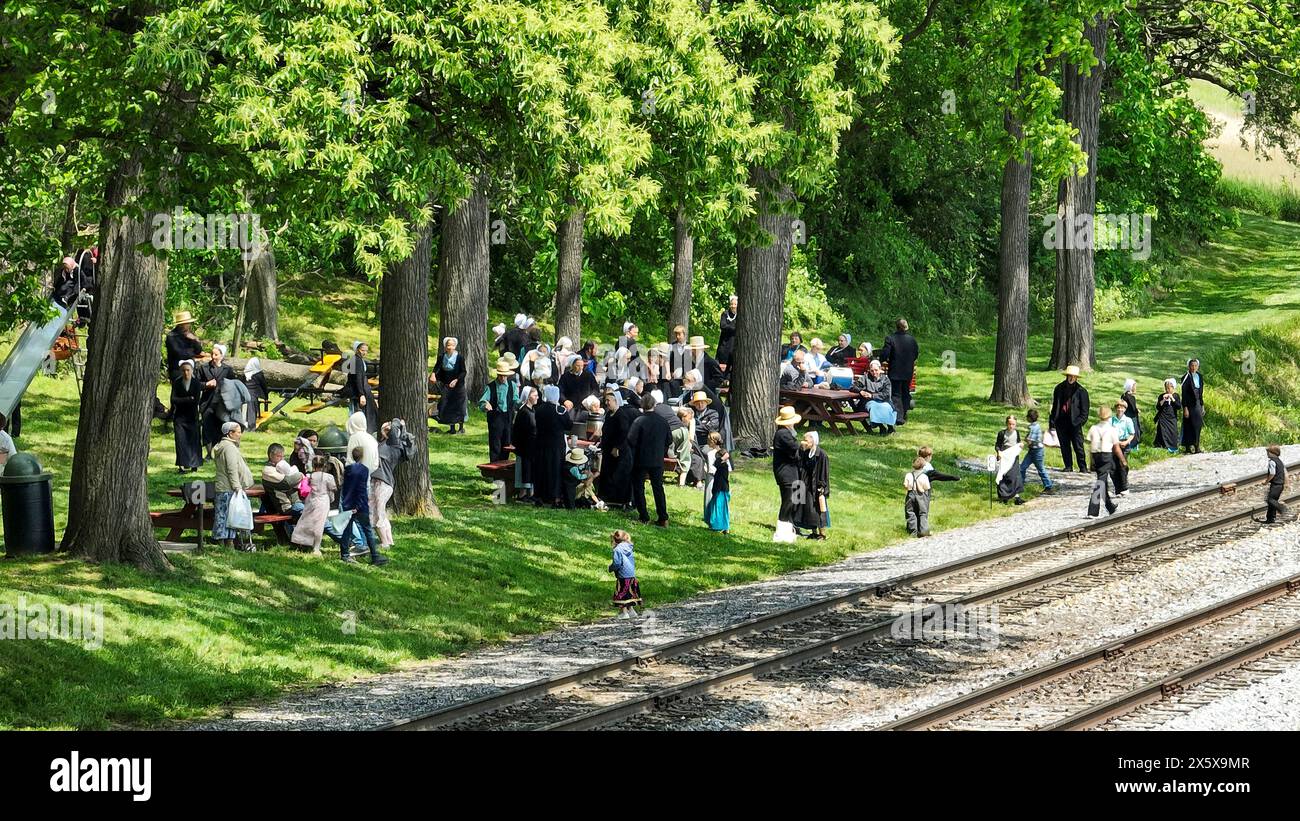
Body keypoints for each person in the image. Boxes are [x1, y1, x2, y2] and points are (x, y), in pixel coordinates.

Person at [338, 446, 390, 565]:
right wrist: (359, 504)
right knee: (367, 530)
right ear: (362, 456)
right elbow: (361, 489)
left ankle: (344, 554)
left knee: (347, 529)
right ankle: (374, 556)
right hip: (360, 505)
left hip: (348, 503)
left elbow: (346, 487)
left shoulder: (348, 469)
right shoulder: (364, 470)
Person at [626, 394, 670, 526]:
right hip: (657, 459)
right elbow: (669, 440)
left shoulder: (639, 421)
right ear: (654, 405)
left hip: (641, 459)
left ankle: (644, 516)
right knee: (658, 488)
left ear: (642, 406)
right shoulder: (663, 421)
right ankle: (663, 517)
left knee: (639, 487)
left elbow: (630, 439)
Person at [372, 418, 416, 547]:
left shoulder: (394, 444)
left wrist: (401, 425)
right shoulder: (386, 444)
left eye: (388, 429)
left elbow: (396, 423)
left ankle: (384, 542)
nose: (386, 430)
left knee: (377, 514)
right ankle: (389, 541)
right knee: (381, 513)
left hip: (382, 483)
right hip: (380, 482)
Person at [212, 422, 254, 550]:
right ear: (230, 433)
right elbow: (232, 469)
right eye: (238, 432)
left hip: (224, 486)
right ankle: (226, 543)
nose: (240, 434)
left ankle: (225, 542)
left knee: (225, 515)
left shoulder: (224, 446)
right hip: (228, 487)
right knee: (228, 516)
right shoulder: (229, 448)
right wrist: (237, 487)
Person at [290, 455, 338, 554]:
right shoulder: (329, 477)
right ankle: (316, 547)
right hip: (323, 501)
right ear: (324, 465)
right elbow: (333, 488)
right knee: (319, 524)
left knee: (307, 521)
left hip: (311, 500)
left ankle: (303, 541)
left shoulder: (310, 476)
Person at [533, 384, 571, 507]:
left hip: (541, 444)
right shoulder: (560, 411)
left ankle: (539, 495)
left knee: (542, 469)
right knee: (555, 470)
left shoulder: (539, 409)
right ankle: (554, 496)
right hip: (556, 446)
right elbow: (569, 425)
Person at [599, 391, 637, 508]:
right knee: (607, 473)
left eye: (608, 401)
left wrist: (617, 447)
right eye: (605, 401)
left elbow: (624, 432)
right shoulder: (608, 414)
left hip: (619, 451)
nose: (606, 403)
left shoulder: (621, 415)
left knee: (618, 475)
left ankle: (621, 500)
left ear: (615, 401)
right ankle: (608, 497)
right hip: (608, 449)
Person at [1049, 364, 1090, 473]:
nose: (1071, 378)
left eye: (1073, 376)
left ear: (1076, 378)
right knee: (1064, 445)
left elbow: (1085, 411)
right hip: (1061, 421)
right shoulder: (1059, 388)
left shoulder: (1081, 391)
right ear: (1066, 376)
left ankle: (1082, 467)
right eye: (1069, 376)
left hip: (1075, 422)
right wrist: (1052, 421)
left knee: (1078, 446)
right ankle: (1068, 466)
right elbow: (1055, 406)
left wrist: (1079, 422)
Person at [196, 343, 235, 456]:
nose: (213, 357)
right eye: (212, 354)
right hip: (207, 403)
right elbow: (197, 384)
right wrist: (206, 384)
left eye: (216, 354)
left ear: (222, 356)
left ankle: (217, 452)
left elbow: (233, 385)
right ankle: (209, 454)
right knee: (207, 428)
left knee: (220, 428)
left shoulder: (227, 370)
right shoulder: (204, 368)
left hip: (222, 404)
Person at [772, 406, 802, 543]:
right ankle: (782, 527)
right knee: (788, 500)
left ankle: (793, 525)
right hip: (785, 472)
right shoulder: (783, 434)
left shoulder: (788, 432)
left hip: (793, 471)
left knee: (796, 499)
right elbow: (795, 448)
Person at [1086, 406, 1122, 518]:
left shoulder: (1093, 428)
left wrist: (1090, 461)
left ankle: (1109, 506)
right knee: (1100, 481)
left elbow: (1090, 444)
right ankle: (1093, 509)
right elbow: (1116, 447)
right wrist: (1123, 460)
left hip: (1096, 456)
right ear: (1110, 416)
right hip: (1106, 455)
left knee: (1103, 480)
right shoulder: (1112, 429)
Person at [880, 318, 918, 424]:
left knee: (896, 393)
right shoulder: (912, 340)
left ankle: (898, 417)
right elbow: (915, 354)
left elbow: (885, 354)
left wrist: (882, 360)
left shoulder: (890, 339)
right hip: (908, 371)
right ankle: (904, 412)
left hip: (895, 370)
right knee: (905, 392)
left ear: (896, 326)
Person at [480, 359, 519, 461]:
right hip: (495, 418)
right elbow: (482, 401)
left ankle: (503, 467)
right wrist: (485, 405)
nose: (502, 378)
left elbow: (516, 400)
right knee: (495, 444)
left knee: (506, 443)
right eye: (500, 375)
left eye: (504, 375)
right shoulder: (490, 386)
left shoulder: (512, 385)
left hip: (508, 417)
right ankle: (494, 470)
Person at [261, 443, 305, 533]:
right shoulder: (268, 471)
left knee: (314, 510)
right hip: (286, 506)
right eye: (279, 456)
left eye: (283, 456)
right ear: (271, 455)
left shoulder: (280, 467)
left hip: (295, 502)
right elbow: (287, 482)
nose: (282, 459)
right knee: (309, 511)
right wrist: (300, 475)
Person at [794, 431, 831, 539]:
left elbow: (824, 472)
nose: (804, 442)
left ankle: (822, 534)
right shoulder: (806, 453)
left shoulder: (822, 455)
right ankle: (813, 531)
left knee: (819, 510)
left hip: (817, 486)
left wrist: (822, 486)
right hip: (807, 485)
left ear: (813, 441)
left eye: (806, 440)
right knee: (809, 510)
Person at [170, 360, 203, 472]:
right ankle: (182, 465)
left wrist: (183, 400)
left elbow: (196, 400)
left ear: (192, 371)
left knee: (193, 441)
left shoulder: (196, 383)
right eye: (183, 370)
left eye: (188, 370)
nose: (186, 373)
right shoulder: (177, 382)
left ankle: (194, 464)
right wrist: (188, 399)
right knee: (181, 441)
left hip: (192, 416)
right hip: (180, 417)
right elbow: (173, 399)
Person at [433, 336, 467, 434]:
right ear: (445, 346)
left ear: (455, 346)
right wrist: (433, 374)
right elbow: (437, 368)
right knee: (447, 405)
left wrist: (456, 380)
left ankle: (461, 427)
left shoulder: (460, 357)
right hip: (447, 385)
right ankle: (452, 428)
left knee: (459, 406)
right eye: (448, 345)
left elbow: (463, 371)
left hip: (458, 386)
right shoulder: (442, 357)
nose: (450, 347)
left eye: (452, 345)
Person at [342, 341, 378, 433]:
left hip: (359, 390)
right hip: (358, 392)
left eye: (366, 351)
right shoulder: (356, 360)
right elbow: (357, 378)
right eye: (362, 350)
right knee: (360, 414)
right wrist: (361, 394)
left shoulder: (356, 359)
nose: (364, 352)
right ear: (357, 350)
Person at [853, 359, 895, 434]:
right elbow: (854, 386)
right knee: (873, 407)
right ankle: (881, 426)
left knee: (886, 407)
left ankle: (890, 427)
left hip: (883, 400)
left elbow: (886, 394)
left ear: (880, 369)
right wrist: (861, 391)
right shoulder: (865, 377)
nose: (874, 372)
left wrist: (872, 395)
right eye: (872, 370)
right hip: (869, 401)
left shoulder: (885, 380)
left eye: (876, 370)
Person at [511, 387, 539, 502]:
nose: (537, 397)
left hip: (531, 446)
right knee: (524, 469)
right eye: (534, 395)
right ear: (528, 397)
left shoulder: (532, 410)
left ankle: (530, 493)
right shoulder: (523, 412)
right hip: (524, 447)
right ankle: (522, 494)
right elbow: (518, 431)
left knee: (530, 469)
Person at [1018, 408, 1055, 494]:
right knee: (1022, 467)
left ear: (1030, 418)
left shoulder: (1033, 428)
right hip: (1032, 451)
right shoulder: (1035, 426)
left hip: (1037, 452)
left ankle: (1048, 486)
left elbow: (1030, 440)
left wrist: (1024, 441)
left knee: (1040, 469)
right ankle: (1020, 484)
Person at [702, 431, 731, 533]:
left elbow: (712, 468)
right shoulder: (724, 452)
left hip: (714, 480)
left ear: (713, 441)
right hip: (724, 482)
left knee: (711, 501)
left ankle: (713, 522)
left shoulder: (711, 454)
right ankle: (723, 524)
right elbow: (729, 468)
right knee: (721, 504)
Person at [609, 530, 642, 619]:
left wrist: (611, 568)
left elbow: (617, 563)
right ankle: (631, 611)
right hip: (631, 575)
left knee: (622, 593)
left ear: (615, 540)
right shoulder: (629, 547)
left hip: (623, 575)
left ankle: (624, 613)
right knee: (629, 593)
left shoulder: (617, 550)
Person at [164, 311, 205, 379]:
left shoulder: (190, 334)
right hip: (177, 370)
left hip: (191, 369)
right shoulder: (172, 336)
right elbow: (179, 353)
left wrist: (195, 340)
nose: (189, 325)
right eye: (187, 323)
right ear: (180, 325)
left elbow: (198, 351)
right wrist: (192, 353)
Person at [995, 415, 1025, 505]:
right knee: (1004, 476)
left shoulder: (1017, 433)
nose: (1011, 426)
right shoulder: (1002, 433)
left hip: (1013, 457)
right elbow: (997, 445)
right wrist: (998, 452)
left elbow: (1018, 442)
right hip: (1004, 457)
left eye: (1013, 424)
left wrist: (1020, 445)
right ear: (1006, 424)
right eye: (1009, 424)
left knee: (1015, 476)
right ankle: (1003, 496)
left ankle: (1017, 497)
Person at [903, 457, 933, 537]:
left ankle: (913, 532)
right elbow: (927, 487)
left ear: (913, 465)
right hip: (921, 496)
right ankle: (923, 531)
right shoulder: (924, 476)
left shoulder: (909, 475)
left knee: (910, 513)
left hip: (910, 495)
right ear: (923, 466)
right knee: (922, 513)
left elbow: (905, 485)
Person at [1110, 401, 1135, 496]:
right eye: (1118, 407)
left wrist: (1126, 442)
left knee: (1122, 465)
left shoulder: (1128, 420)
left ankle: (1125, 488)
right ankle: (1117, 489)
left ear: (1125, 409)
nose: (1120, 409)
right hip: (1113, 444)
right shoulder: (1111, 420)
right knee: (1112, 467)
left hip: (1124, 444)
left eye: (1122, 408)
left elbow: (1132, 434)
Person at [1181, 358, 1205, 454]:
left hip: (1197, 404)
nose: (1194, 367)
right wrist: (1185, 408)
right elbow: (1184, 394)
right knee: (1188, 425)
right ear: (1189, 366)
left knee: (1198, 425)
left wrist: (1202, 405)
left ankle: (1197, 446)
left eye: (1195, 365)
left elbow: (1201, 393)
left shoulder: (1200, 376)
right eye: (1192, 365)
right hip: (1189, 405)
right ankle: (1187, 447)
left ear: (1198, 366)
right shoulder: (1186, 377)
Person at [1262, 445, 1288, 525]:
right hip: (1280, 484)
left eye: (1268, 452)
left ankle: (1281, 508)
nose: (1267, 454)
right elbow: (1285, 473)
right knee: (1272, 501)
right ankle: (1270, 518)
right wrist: (1287, 483)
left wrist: (1266, 481)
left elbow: (1272, 473)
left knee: (1270, 500)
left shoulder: (1272, 462)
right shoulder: (1280, 461)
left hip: (1275, 484)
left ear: (1272, 453)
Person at [1153, 378, 1182, 452]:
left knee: (1172, 432)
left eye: (1169, 388)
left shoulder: (1176, 396)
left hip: (1172, 417)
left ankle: (1172, 446)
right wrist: (1163, 400)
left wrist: (1172, 399)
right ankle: (1161, 445)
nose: (1167, 390)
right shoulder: (1162, 396)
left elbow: (1179, 406)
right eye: (1166, 388)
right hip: (1163, 417)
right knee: (1162, 431)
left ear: (1173, 387)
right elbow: (1158, 407)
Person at [243, 357, 268, 432]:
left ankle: (245, 426)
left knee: (245, 411)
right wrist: (266, 396)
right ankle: (251, 427)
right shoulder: (258, 374)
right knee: (252, 411)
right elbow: (264, 385)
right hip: (253, 394)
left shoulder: (246, 373)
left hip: (244, 394)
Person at [717, 295, 738, 369]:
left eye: (735, 304)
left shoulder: (739, 315)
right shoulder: (725, 314)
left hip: (733, 343)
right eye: (732, 304)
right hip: (724, 343)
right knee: (722, 365)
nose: (733, 306)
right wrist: (733, 329)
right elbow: (723, 326)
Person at [1121, 379, 1141, 450]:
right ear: (1131, 387)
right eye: (1134, 386)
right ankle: (1133, 445)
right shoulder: (1131, 397)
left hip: (1125, 416)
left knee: (1127, 431)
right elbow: (1133, 408)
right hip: (1132, 417)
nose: (1135, 388)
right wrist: (1137, 410)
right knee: (1134, 431)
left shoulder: (1123, 395)